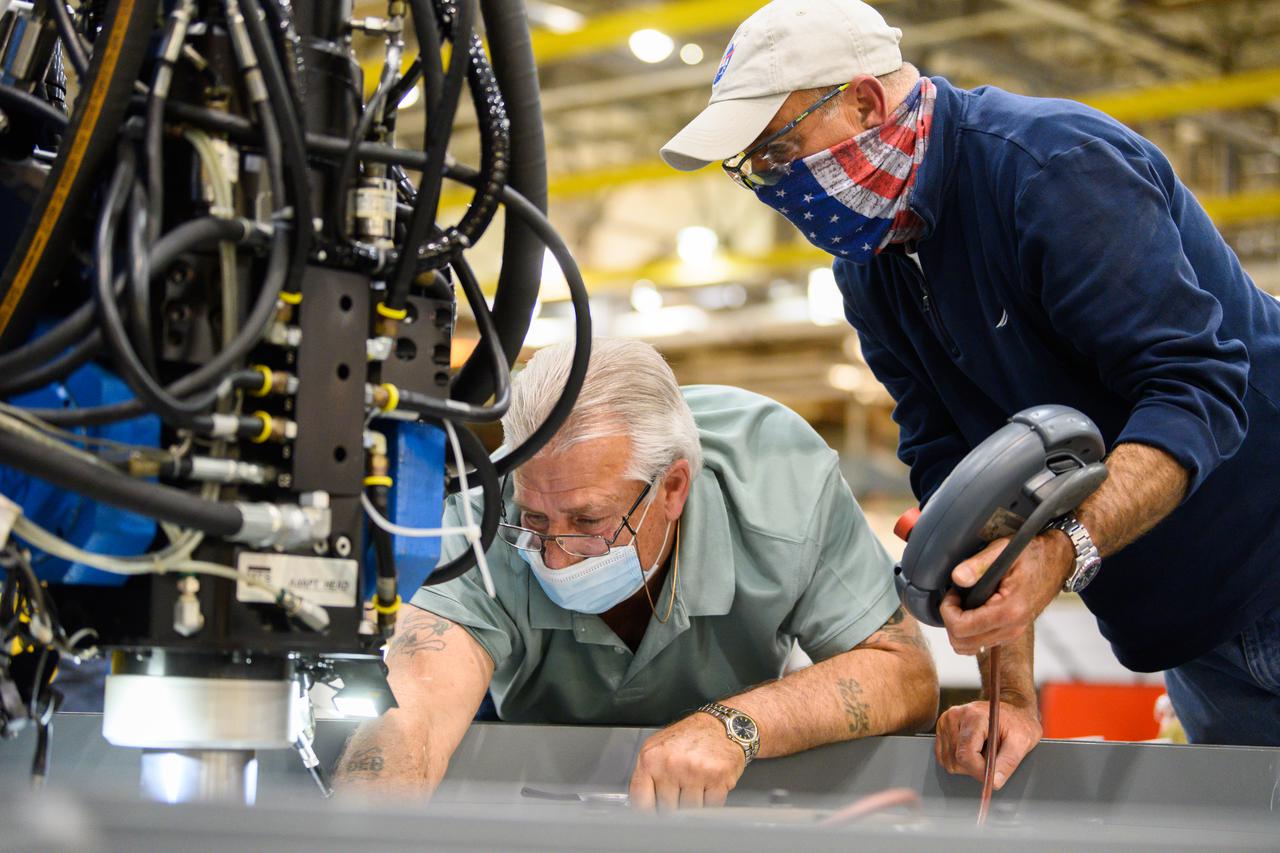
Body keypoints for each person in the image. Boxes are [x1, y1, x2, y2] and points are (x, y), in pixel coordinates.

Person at [661, 0, 1280, 787]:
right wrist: (1009, 694)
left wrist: (1064, 549)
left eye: (779, 148)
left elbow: (1197, 387)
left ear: (865, 101)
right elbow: (963, 479)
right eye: (751, 165)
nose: (772, 184)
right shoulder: (873, 267)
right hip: (1193, 628)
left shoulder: (1051, 169)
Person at [334, 337, 937, 808]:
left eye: (588, 520)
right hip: (527, 782)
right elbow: (413, 722)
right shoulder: (481, 518)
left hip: (729, 793)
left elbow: (904, 673)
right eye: (536, 519)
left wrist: (738, 724)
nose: (554, 555)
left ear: (672, 488)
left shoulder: (782, 482)